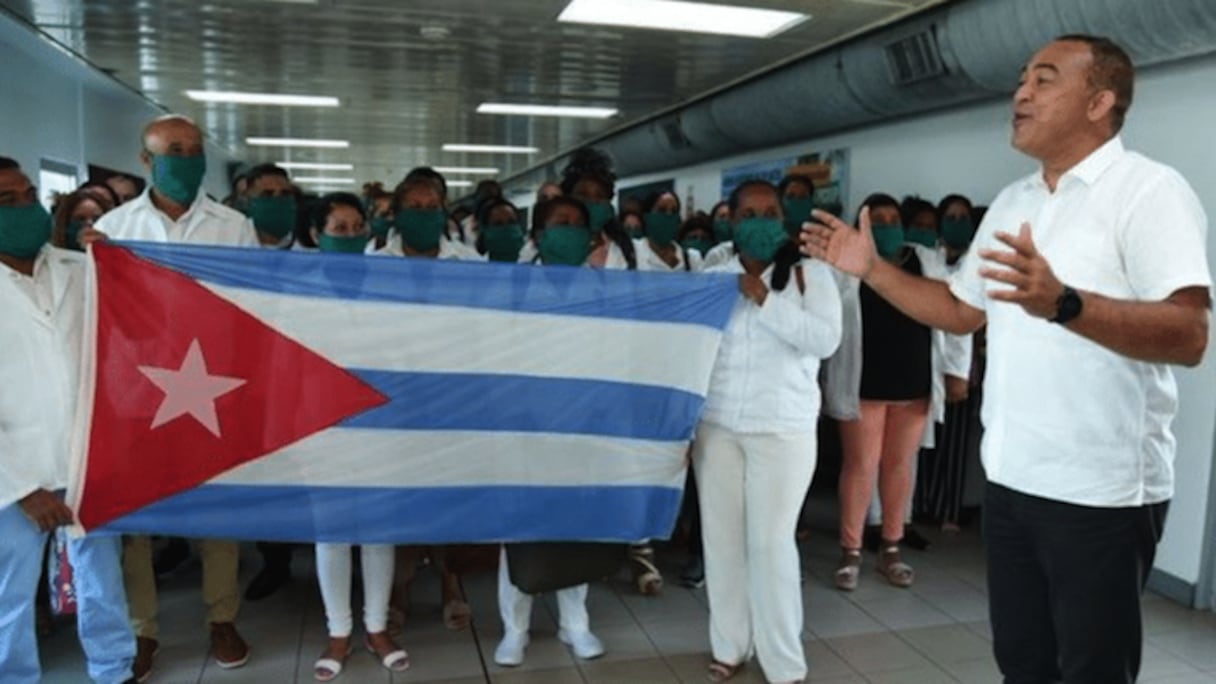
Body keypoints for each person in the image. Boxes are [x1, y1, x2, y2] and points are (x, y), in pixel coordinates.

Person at [802, 35, 1210, 683]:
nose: (1020, 93)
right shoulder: (1016, 200)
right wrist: (873, 270)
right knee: (1022, 663)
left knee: (1091, 670)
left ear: (1100, 101)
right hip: (1014, 482)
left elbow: (1189, 333)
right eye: (1022, 79)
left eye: (1044, 80)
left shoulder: (1148, 192)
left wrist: (1066, 304)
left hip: (1101, 491)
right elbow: (961, 310)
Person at [94, 114, 256, 680]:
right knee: (137, 519)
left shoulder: (234, 226)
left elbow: (250, 310)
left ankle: (221, 617)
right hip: (136, 394)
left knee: (218, 510)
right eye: (173, 150)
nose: (186, 159)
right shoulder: (114, 228)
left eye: (194, 150)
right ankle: (144, 629)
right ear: (146, 161)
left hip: (213, 386)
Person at [694, 179, 841, 684]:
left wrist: (764, 300)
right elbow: (694, 352)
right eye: (749, 212)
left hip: (783, 429)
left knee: (772, 543)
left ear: (784, 219)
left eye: (770, 211)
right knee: (722, 540)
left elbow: (825, 340)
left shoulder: (810, 273)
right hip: (717, 428)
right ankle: (730, 645)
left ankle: (783, 662)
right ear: (731, 220)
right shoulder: (713, 274)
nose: (760, 220)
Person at [0, 157, 137, 684]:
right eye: (6, 201)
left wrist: (120, 261)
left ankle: (113, 669)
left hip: (88, 457)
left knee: (102, 581)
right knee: (10, 593)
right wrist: (23, 488)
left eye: (28, 194)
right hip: (15, 476)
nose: (24, 208)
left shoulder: (80, 268)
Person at [823, 193, 964, 590]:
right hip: (864, 381)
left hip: (913, 380)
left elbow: (954, 310)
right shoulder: (845, 266)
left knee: (900, 466)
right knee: (860, 466)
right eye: (877, 219)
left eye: (891, 218)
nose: (886, 225)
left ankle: (891, 547)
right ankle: (851, 550)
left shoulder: (925, 261)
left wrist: (956, 371)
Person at [496, 194, 606, 667]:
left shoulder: (602, 289)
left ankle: (574, 623)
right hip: (524, 426)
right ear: (538, 236)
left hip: (581, 425)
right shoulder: (513, 287)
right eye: (561, 224)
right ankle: (514, 628)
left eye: (579, 224)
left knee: (575, 527)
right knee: (518, 528)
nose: (571, 231)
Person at [637, 190, 702, 272]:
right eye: (662, 210)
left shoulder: (691, 259)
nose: (668, 215)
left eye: (674, 211)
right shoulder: (635, 252)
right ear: (646, 217)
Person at [243, 163, 299, 248]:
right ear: (248, 198)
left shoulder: (307, 244)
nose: (278, 201)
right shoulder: (233, 240)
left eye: (285, 194)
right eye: (267, 194)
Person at [475, 197, 526, 263]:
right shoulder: (476, 269)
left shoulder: (535, 266)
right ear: (485, 231)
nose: (507, 229)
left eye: (511, 222)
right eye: (498, 224)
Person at [702, 200, 736, 269]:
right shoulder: (705, 247)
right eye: (722, 216)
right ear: (713, 221)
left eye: (730, 216)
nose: (727, 220)